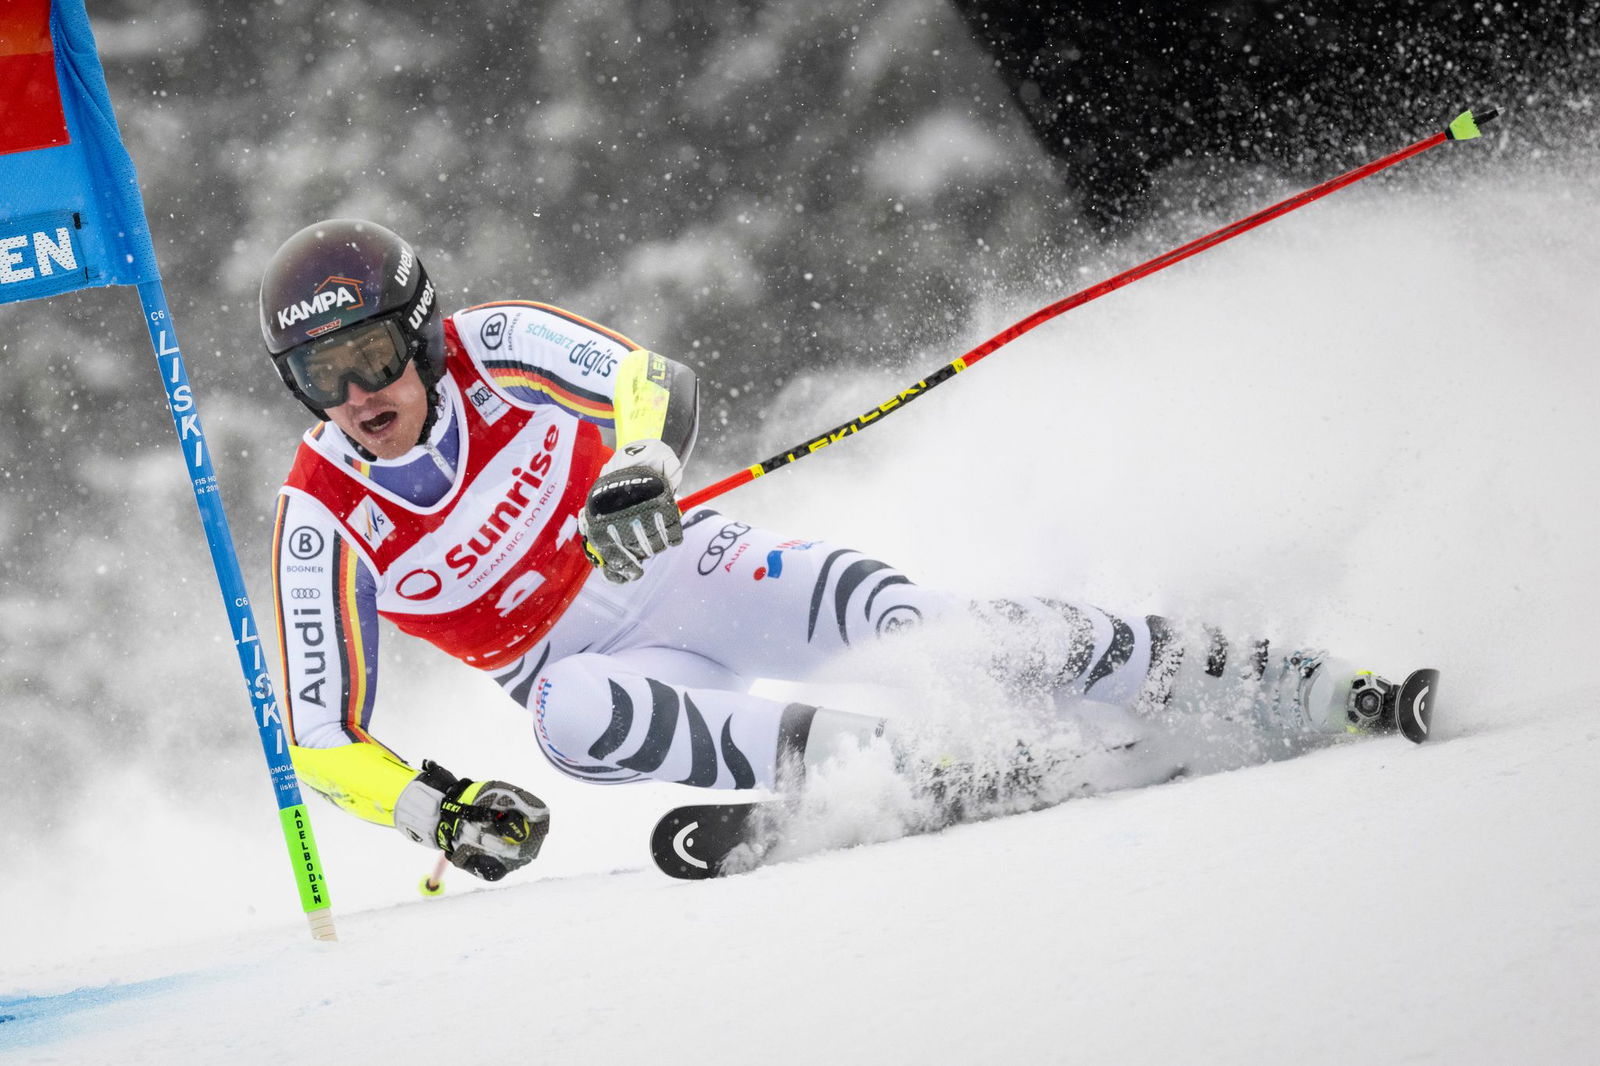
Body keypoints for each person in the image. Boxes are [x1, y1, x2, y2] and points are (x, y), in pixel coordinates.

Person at [262, 219, 1400, 882]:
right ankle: (886, 761)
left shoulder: (492, 344)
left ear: (417, 331)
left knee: (925, 628)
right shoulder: (321, 512)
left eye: (371, 354)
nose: (359, 395)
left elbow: (651, 382)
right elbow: (319, 738)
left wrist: (644, 469)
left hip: (679, 572)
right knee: (570, 717)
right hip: (589, 671)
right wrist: (439, 815)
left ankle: (1251, 675)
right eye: (324, 376)